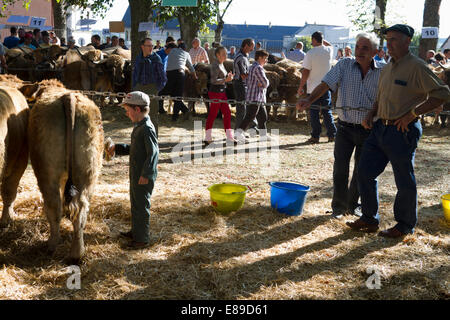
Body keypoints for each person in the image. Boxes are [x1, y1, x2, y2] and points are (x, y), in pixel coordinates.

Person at [347, 24, 450, 238]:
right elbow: (380, 95)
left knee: (404, 179)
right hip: (379, 128)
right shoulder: (387, 67)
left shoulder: (417, 66)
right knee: (364, 172)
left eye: (394, 39)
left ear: (407, 42)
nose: (389, 43)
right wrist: (371, 114)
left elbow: (442, 93)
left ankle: (404, 225)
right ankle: (369, 218)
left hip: (402, 131)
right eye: (387, 39)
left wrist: (413, 113)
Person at [297, 32, 386, 219]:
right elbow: (325, 84)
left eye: (365, 48)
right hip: (344, 128)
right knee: (340, 170)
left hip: (370, 130)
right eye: (358, 46)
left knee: (362, 171)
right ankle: (338, 208)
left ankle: (352, 206)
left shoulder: (384, 71)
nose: (359, 51)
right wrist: (309, 99)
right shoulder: (344, 64)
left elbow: (387, 96)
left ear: (375, 51)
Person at [106, 91, 159, 249]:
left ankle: (141, 240)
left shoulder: (147, 128)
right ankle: (137, 231)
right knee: (135, 203)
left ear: (137, 109)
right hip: (136, 173)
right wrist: (118, 148)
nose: (127, 114)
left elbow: (153, 152)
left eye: (128, 110)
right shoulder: (139, 126)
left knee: (142, 205)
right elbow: (136, 149)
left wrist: (146, 174)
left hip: (143, 175)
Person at [298, 31, 336, 143]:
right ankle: (332, 135)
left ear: (314, 40)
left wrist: (300, 86)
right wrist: (321, 40)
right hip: (325, 86)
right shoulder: (329, 50)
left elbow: (305, 72)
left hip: (313, 88)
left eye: (312, 40)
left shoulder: (310, 53)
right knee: (327, 111)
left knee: (314, 112)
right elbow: (329, 45)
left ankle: (315, 136)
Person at [132, 38, 167, 134]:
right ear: (142, 47)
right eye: (149, 46)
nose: (151, 48)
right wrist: (134, 87)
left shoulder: (156, 59)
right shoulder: (138, 58)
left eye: (152, 46)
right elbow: (134, 75)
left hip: (152, 89)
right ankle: (138, 139)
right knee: (137, 115)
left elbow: (163, 79)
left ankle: (153, 140)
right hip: (139, 89)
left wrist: (156, 90)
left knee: (152, 116)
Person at [235, 50, 271, 142]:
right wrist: (264, 83)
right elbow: (265, 82)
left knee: (263, 116)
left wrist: (259, 84)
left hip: (255, 96)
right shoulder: (258, 68)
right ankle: (238, 134)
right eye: (265, 58)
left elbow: (247, 81)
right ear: (259, 58)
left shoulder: (252, 67)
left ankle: (263, 135)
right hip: (255, 96)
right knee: (249, 117)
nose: (266, 60)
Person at [204, 46, 236, 145]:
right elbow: (213, 81)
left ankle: (230, 137)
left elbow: (221, 78)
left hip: (222, 92)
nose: (225, 55)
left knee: (227, 113)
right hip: (215, 92)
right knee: (213, 114)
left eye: (226, 53)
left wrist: (228, 77)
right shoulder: (215, 65)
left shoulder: (222, 64)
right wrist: (226, 80)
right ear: (217, 55)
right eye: (223, 54)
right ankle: (207, 137)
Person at [158, 42, 196, 121]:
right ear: (185, 49)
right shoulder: (186, 54)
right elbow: (191, 67)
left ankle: (184, 111)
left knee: (164, 93)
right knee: (178, 96)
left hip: (170, 74)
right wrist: (195, 76)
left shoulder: (172, 51)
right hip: (180, 74)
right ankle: (176, 116)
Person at [233, 38, 258, 135]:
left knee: (245, 108)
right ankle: (237, 132)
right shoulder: (241, 58)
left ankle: (244, 130)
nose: (253, 48)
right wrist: (254, 71)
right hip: (240, 85)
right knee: (241, 109)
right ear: (246, 45)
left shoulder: (245, 56)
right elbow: (243, 75)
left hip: (244, 85)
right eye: (252, 46)